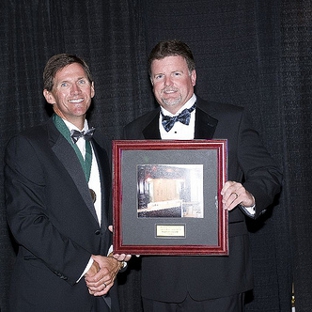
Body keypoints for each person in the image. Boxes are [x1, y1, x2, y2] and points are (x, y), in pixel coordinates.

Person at [123, 40, 282, 311]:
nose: (168, 83)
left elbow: (268, 174)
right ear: (151, 83)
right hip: (160, 280)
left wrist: (249, 194)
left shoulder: (233, 119)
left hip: (220, 276)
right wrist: (126, 230)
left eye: (176, 73)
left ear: (193, 77)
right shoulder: (133, 131)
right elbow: (128, 198)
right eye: (159, 76)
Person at [4, 53, 130, 312]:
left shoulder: (107, 148)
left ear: (92, 89)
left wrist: (116, 261)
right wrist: (88, 265)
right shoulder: (27, 146)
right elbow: (26, 223)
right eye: (64, 84)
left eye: (82, 81)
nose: (75, 90)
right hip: (49, 296)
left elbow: (116, 219)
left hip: (103, 295)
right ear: (49, 96)